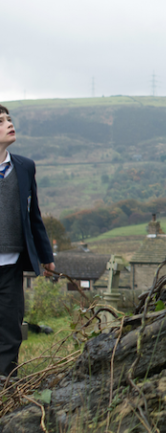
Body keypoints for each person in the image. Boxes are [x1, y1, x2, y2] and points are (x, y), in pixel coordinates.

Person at [0, 104, 55, 379]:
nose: (9, 124)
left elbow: (34, 216)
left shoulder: (24, 167)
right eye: (1, 122)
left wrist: (46, 256)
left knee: (11, 328)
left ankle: (6, 386)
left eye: (9, 119)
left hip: (11, 265)